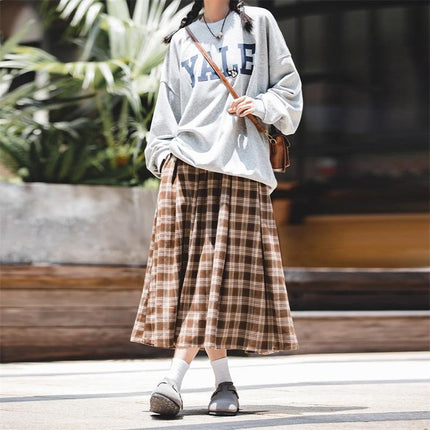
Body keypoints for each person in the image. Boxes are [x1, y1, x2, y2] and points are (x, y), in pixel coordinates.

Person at [130, 0, 303, 418]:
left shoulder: (257, 22)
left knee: (219, 276)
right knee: (192, 275)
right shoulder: (181, 38)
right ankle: (223, 382)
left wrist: (259, 105)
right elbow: (167, 109)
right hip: (186, 166)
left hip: (241, 165)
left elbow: (289, 87)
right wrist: (164, 157)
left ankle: (173, 378)